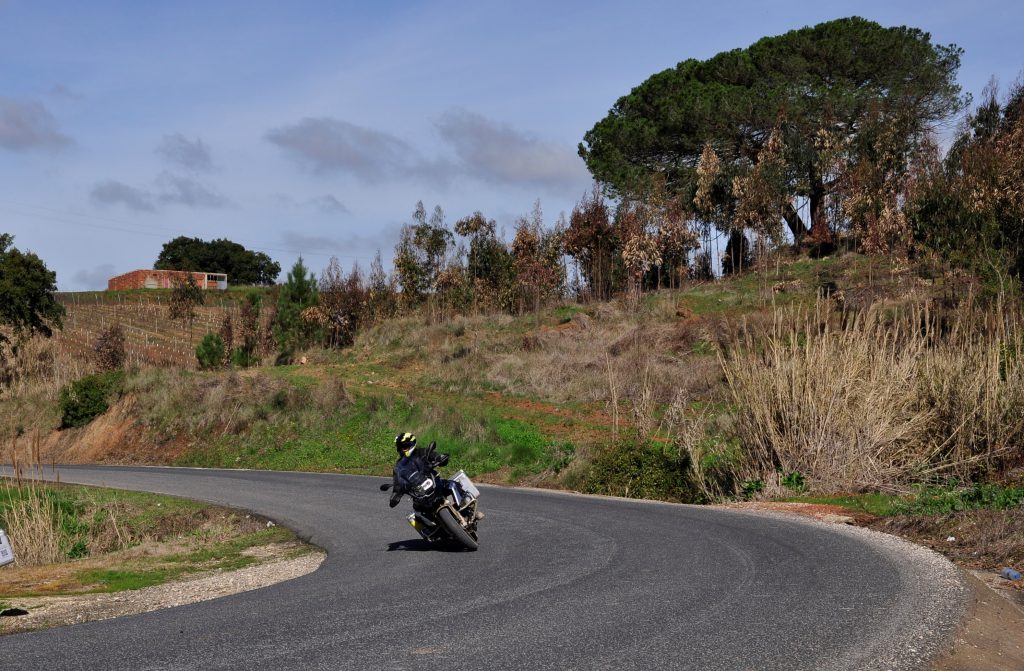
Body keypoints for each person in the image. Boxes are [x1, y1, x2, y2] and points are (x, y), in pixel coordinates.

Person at [389, 432, 448, 508]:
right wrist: (395, 496)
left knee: (451, 485)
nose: (402, 450)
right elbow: (398, 484)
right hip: (420, 496)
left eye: (404, 446)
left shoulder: (422, 452)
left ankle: (466, 503)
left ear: (411, 444)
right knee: (415, 514)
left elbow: (435, 456)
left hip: (435, 484)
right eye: (400, 447)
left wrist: (440, 458)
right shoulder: (399, 466)